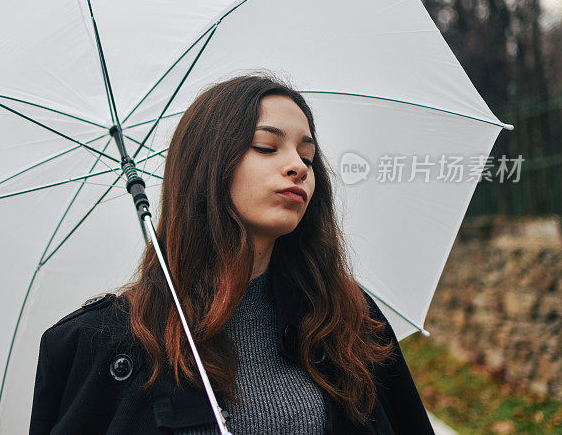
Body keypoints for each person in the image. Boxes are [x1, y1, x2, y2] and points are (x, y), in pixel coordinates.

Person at [29, 73, 435, 434]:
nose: (298, 166)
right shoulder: (102, 343)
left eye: (307, 155)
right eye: (266, 147)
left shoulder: (347, 320)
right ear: (209, 165)